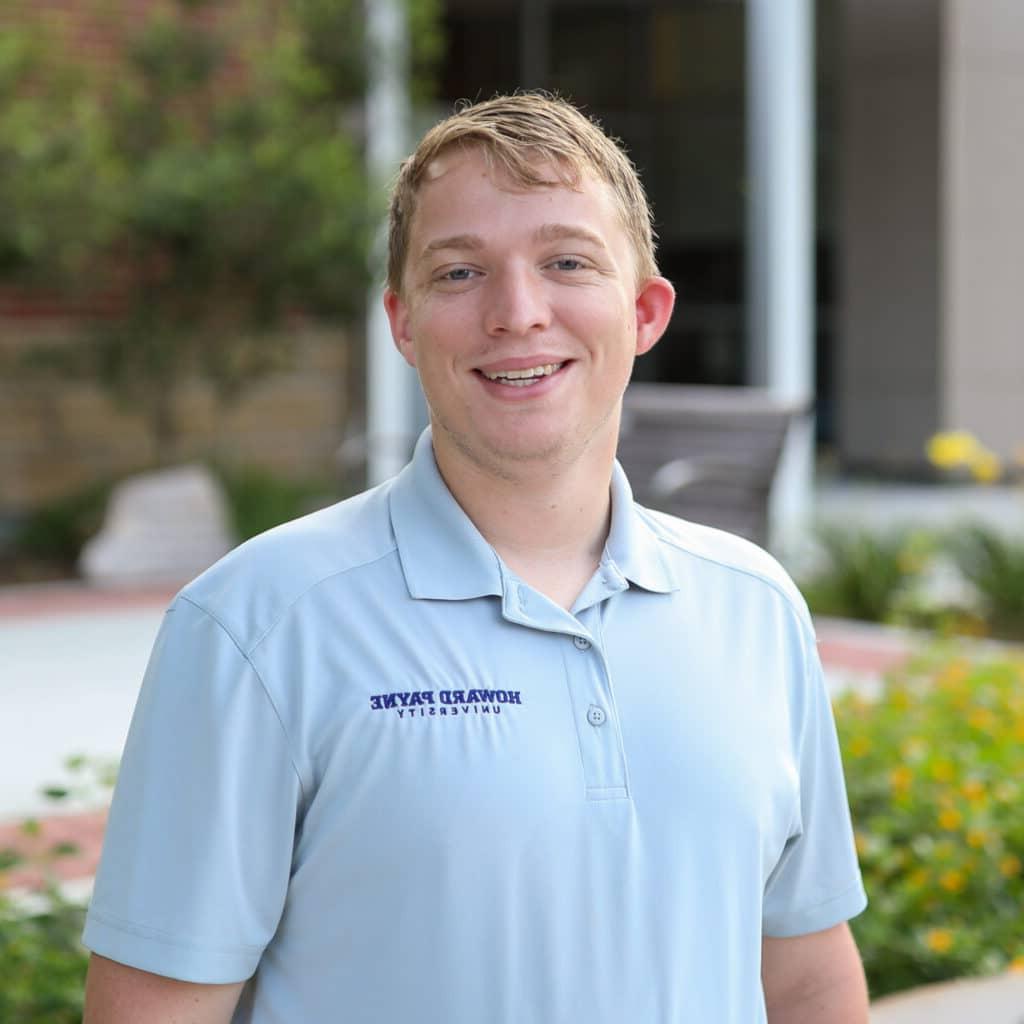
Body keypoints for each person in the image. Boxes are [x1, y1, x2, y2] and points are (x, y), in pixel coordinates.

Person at [82, 92, 869, 1023]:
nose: (518, 313)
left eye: (567, 261)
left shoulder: (756, 606)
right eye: (459, 274)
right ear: (404, 323)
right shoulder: (256, 624)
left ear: (647, 310)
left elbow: (807, 972)